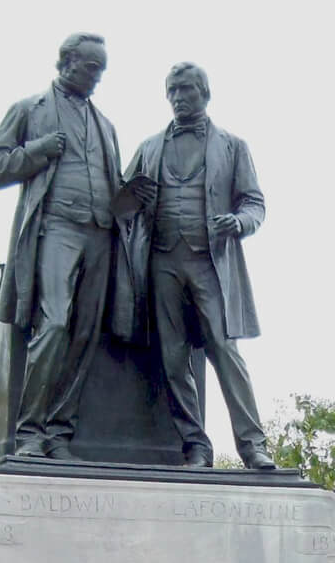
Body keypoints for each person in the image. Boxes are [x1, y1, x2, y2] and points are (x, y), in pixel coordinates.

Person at [0, 33, 149, 459]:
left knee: (84, 335)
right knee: (53, 324)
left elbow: (114, 189)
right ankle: (29, 432)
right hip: (55, 228)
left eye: (102, 70)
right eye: (92, 67)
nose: (97, 77)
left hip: (100, 234)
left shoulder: (106, 126)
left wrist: (131, 198)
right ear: (67, 62)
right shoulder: (28, 110)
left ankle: (59, 433)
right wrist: (37, 151)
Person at [117, 62, 274, 469]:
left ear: (205, 92)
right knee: (173, 357)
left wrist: (239, 223)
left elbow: (254, 202)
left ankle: (252, 444)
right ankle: (196, 446)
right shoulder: (150, 147)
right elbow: (120, 202)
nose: (178, 97)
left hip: (211, 263)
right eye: (171, 90)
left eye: (185, 89)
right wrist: (133, 198)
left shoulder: (233, 146)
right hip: (162, 261)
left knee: (225, 351)